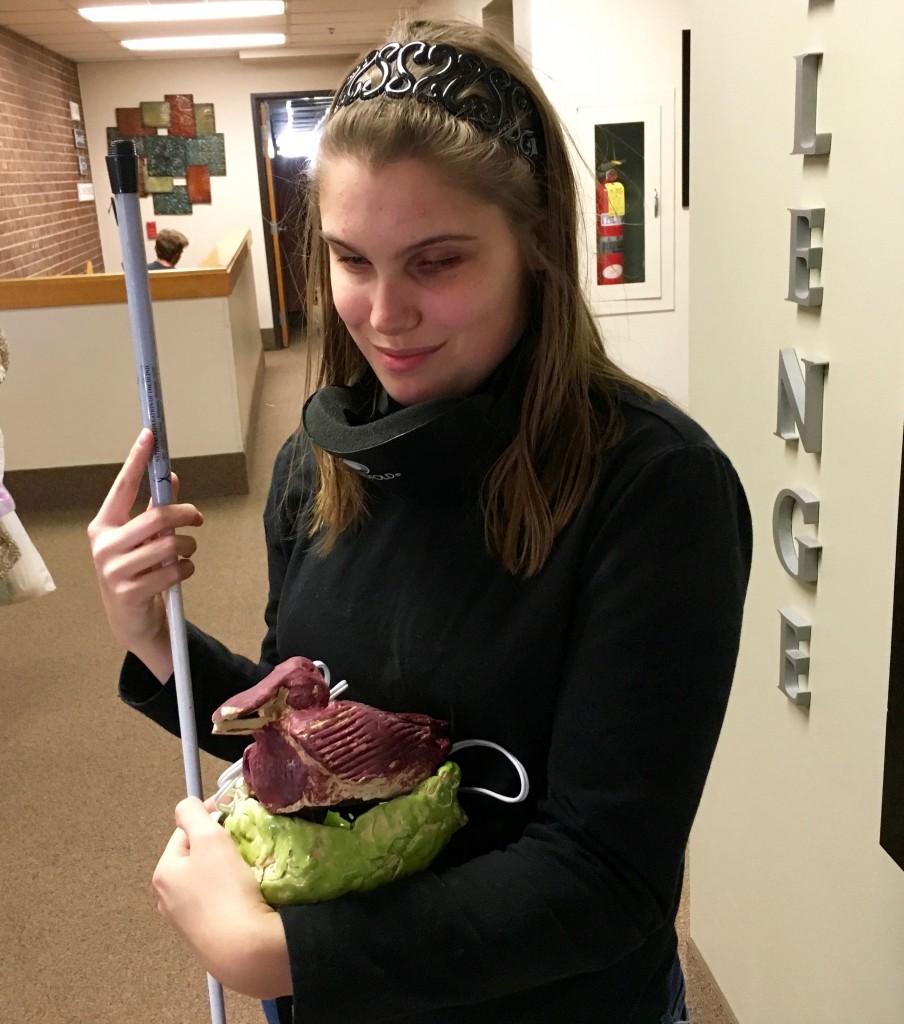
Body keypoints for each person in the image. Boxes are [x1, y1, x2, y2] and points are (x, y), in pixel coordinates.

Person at [88, 18, 752, 1024]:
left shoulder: (655, 490)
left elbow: (605, 877)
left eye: (436, 262)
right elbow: (316, 740)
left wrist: (283, 953)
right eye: (352, 259)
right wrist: (157, 642)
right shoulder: (316, 467)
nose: (382, 311)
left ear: (534, 244)